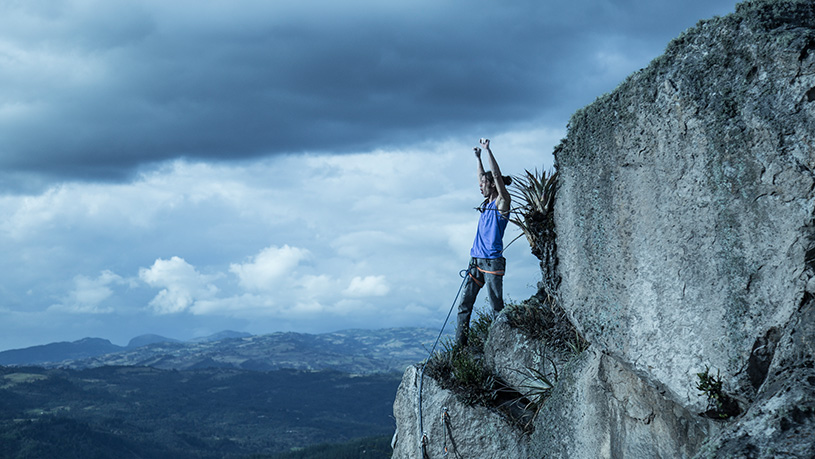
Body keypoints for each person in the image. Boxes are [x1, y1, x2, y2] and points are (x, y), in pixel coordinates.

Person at [455, 138, 512, 348]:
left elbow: (495, 175)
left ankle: (501, 348)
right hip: (476, 260)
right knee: (463, 305)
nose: (480, 187)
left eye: (484, 184)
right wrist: (477, 158)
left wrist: (488, 151)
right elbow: (484, 176)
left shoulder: (502, 202)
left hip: (492, 263)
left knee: (496, 308)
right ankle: (459, 349)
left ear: (493, 185)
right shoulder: (487, 202)